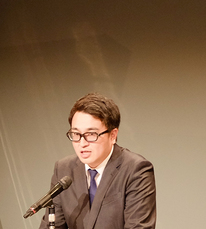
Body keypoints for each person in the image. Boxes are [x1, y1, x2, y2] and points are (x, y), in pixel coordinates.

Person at [39, 93, 156, 229]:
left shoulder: (136, 170)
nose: (82, 143)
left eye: (91, 134)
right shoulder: (64, 169)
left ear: (113, 135)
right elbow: (54, 225)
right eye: (76, 134)